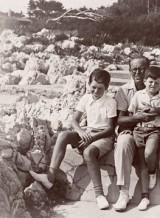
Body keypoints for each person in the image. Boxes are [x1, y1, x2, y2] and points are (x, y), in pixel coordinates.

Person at [29, 69, 117, 210]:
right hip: (87, 133)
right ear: (88, 84)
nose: (95, 91)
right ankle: (49, 177)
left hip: (103, 137)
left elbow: (110, 129)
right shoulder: (85, 98)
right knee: (64, 135)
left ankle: (99, 194)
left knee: (88, 153)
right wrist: (82, 132)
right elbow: (74, 121)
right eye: (93, 87)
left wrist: (91, 137)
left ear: (106, 88)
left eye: (100, 89)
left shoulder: (110, 102)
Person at [114, 56, 160, 214]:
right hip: (133, 130)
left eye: (141, 69)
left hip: (154, 131)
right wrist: (136, 118)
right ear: (129, 70)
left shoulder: (158, 87)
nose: (137, 72)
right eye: (134, 69)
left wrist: (156, 111)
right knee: (123, 142)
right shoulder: (124, 91)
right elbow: (120, 119)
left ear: (148, 70)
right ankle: (123, 193)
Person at [128, 66, 160, 211]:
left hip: (153, 131)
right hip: (138, 130)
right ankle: (145, 197)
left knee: (149, 153)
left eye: (157, 83)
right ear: (145, 81)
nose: (153, 85)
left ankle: (153, 171)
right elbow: (130, 114)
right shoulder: (138, 95)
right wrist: (137, 118)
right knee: (142, 162)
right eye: (151, 82)